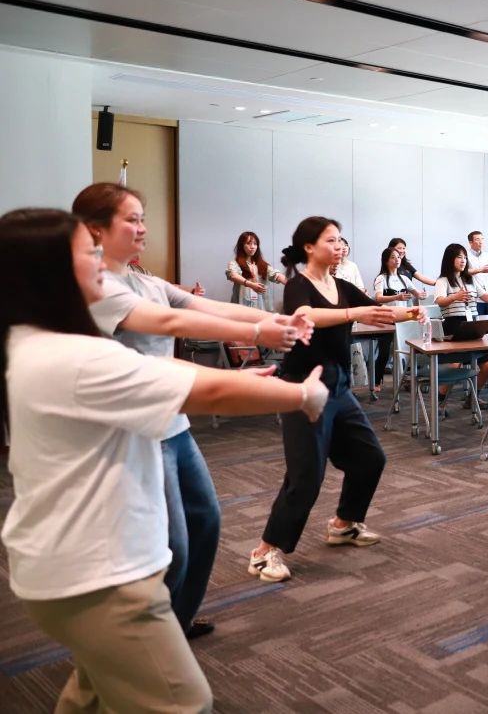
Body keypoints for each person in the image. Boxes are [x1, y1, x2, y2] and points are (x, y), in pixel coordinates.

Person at [0, 207, 328, 714]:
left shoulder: (37, 340)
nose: (100, 263)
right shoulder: (74, 356)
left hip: (71, 568)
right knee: (185, 703)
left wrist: (254, 351)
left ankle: (173, 624)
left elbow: (180, 364)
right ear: (50, 271)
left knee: (92, 694)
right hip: (100, 579)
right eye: (88, 252)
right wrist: (302, 395)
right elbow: (208, 391)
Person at [72, 183, 309, 642]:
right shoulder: (96, 286)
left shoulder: (145, 280)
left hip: (174, 424)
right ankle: (146, 639)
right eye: (131, 220)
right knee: (172, 546)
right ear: (96, 229)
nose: (143, 228)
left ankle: (175, 624)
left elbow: (206, 305)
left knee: (205, 524)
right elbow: (170, 322)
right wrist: (259, 333)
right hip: (134, 432)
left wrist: (277, 320)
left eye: (143, 218)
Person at [250, 217, 416, 584]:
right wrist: (353, 313)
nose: (339, 246)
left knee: (370, 458)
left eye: (340, 240)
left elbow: (379, 311)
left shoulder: (342, 286)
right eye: (331, 240)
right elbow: (306, 315)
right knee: (306, 475)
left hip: (338, 388)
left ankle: (343, 524)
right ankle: (264, 551)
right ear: (309, 247)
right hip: (303, 388)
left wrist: (413, 312)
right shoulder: (298, 286)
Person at [436, 242, 488, 404]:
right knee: (455, 365)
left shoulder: (470, 279)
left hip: (472, 326)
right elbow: (440, 301)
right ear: (450, 259)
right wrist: (455, 297)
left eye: (465, 257)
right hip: (453, 326)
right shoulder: (443, 280)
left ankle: (473, 397)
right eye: (459, 257)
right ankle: (441, 398)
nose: (463, 260)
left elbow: (484, 297)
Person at [369, 247, 424, 391]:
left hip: (404, 319)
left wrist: (421, 295)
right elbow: (378, 298)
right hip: (387, 318)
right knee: (384, 352)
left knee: (408, 351)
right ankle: (377, 381)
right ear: (386, 260)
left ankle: (409, 379)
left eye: (398, 257)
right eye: (393, 257)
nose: (397, 260)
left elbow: (417, 293)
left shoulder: (404, 278)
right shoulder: (381, 278)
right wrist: (396, 297)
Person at [227, 230, 287, 310]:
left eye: (255, 244)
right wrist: (251, 284)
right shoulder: (234, 263)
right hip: (242, 306)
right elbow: (233, 275)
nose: (252, 247)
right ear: (242, 246)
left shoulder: (262, 265)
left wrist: (291, 283)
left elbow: (276, 274)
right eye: (248, 243)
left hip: (261, 307)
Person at [466, 230, 488, 315]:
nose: (481, 242)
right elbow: (463, 272)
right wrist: (480, 270)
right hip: (476, 298)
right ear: (470, 242)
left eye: (482, 239)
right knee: (478, 322)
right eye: (477, 239)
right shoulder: (466, 256)